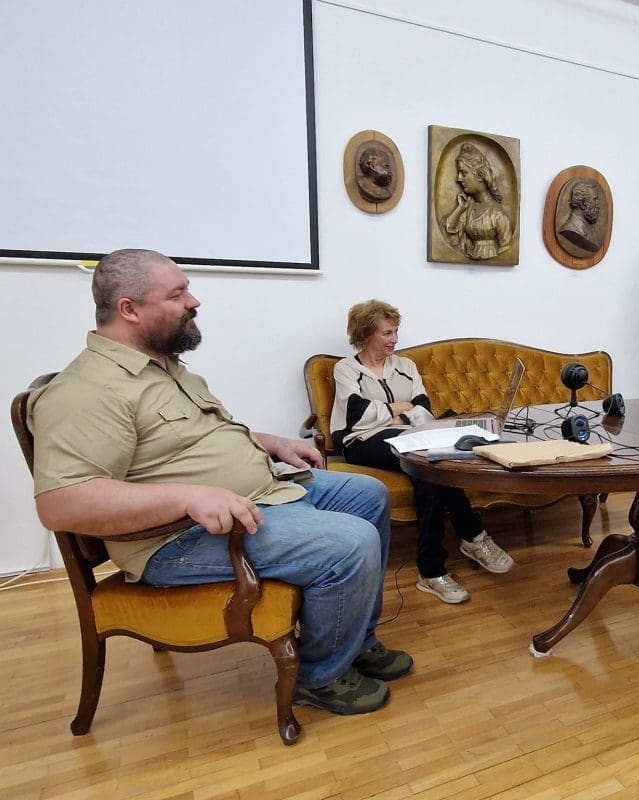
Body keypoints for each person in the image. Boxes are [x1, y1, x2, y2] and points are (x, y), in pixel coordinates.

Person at [26, 249, 410, 716]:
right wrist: (188, 497)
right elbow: (62, 503)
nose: (194, 301)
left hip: (258, 494)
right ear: (129, 309)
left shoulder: (163, 368)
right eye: (177, 294)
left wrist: (270, 442)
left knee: (368, 495)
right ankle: (321, 676)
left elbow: (194, 438)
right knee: (351, 542)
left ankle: (355, 641)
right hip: (179, 539)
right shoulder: (88, 391)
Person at [331, 299, 515, 604]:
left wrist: (393, 415)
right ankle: (471, 536)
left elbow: (424, 410)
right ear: (365, 334)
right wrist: (402, 408)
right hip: (362, 442)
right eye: (387, 333)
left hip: (412, 436)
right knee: (428, 465)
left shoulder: (406, 367)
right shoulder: (346, 369)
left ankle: (432, 569)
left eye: (395, 331)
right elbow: (357, 416)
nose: (394, 339)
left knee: (431, 472)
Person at [440, 142, 514, 260]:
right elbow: (449, 234)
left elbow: (506, 254)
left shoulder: (498, 215)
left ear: (479, 175)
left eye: (464, 173)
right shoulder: (468, 209)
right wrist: (460, 208)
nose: (459, 178)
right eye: (459, 173)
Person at [557, 180, 601, 253]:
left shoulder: (589, 228)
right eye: (594, 200)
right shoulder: (569, 231)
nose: (598, 205)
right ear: (582, 204)